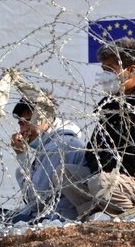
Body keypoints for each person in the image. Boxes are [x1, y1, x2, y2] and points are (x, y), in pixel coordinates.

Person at [61, 38, 135, 222]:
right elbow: (93, 149)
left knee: (102, 181)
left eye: (110, 69)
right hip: (114, 178)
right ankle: (97, 217)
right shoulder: (109, 104)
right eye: (103, 70)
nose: (105, 75)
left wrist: (110, 171)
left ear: (132, 70)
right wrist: (103, 168)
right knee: (66, 172)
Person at [6, 94, 87, 224]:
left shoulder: (59, 146)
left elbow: (35, 199)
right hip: (47, 215)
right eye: (21, 123)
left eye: (29, 122)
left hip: (55, 219)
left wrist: (22, 157)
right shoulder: (51, 143)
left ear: (47, 119)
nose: (23, 130)